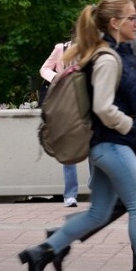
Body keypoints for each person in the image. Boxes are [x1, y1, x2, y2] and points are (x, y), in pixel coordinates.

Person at [18, 0, 136, 271]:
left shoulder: (113, 52)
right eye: (131, 18)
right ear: (115, 23)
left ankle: (41, 252)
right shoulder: (108, 58)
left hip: (107, 146)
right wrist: (132, 126)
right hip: (113, 144)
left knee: (99, 213)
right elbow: (103, 108)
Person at [40, 38, 79, 208]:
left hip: (85, 104)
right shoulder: (61, 49)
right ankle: (70, 195)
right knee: (67, 149)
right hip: (64, 104)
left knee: (94, 148)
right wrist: (57, 77)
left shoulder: (93, 49)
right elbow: (44, 68)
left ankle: (96, 187)